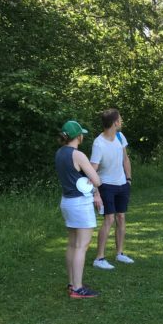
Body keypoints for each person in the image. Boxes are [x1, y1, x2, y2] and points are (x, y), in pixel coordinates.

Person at [55, 120, 103, 298]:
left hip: (66, 201)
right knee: (82, 246)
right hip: (80, 203)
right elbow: (97, 181)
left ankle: (71, 283)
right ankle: (77, 288)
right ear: (79, 136)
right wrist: (92, 179)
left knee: (72, 244)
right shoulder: (78, 155)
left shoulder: (59, 153)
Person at [90, 109, 134, 270]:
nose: (121, 121)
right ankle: (99, 258)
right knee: (109, 219)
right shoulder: (98, 143)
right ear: (115, 122)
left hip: (122, 184)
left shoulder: (120, 137)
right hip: (105, 185)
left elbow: (125, 159)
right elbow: (92, 169)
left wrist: (128, 179)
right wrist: (95, 192)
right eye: (120, 119)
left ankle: (120, 254)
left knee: (121, 217)